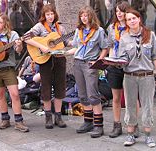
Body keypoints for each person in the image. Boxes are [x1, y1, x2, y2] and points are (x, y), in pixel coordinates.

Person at [119, 9, 156, 148]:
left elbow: (155, 56)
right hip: (129, 76)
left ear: (139, 19)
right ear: (126, 22)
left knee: (148, 106)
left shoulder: (150, 35)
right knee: (130, 106)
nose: (131, 21)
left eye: (134, 18)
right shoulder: (124, 37)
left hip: (147, 76)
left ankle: (148, 136)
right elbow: (122, 58)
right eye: (128, 19)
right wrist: (116, 62)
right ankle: (131, 134)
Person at [66, 5, 108, 138]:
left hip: (90, 65)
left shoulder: (99, 31)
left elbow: (105, 48)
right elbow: (77, 48)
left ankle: (98, 126)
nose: (84, 18)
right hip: (78, 63)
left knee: (93, 95)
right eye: (82, 16)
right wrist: (64, 53)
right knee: (82, 95)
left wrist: (98, 61)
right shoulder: (79, 30)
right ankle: (88, 122)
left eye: (86, 15)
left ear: (91, 16)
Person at [0, 13, 29, 132]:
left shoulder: (13, 35)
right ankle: (5, 119)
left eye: (0, 22)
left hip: (8, 69)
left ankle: (19, 121)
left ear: (5, 24)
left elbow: (18, 50)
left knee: (14, 94)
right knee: (0, 95)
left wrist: (19, 45)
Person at [25, 4, 69, 129]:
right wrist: (41, 46)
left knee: (60, 87)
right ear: (44, 16)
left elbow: (66, 43)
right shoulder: (39, 27)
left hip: (59, 60)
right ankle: (48, 116)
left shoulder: (60, 28)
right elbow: (26, 38)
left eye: (52, 14)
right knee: (46, 88)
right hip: (45, 61)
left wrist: (77, 40)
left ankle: (58, 116)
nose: (50, 16)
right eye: (47, 14)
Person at [106, 1, 138, 138]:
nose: (119, 14)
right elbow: (110, 46)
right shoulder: (112, 28)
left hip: (130, 66)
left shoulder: (132, 28)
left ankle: (134, 125)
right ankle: (117, 125)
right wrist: (109, 60)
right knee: (116, 98)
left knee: (132, 98)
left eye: (121, 11)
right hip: (115, 66)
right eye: (117, 11)